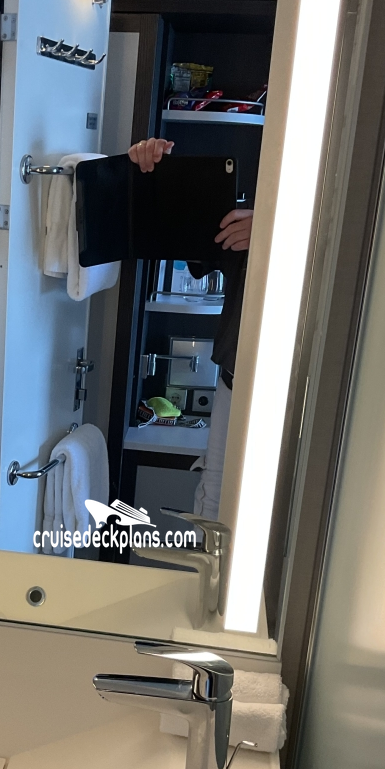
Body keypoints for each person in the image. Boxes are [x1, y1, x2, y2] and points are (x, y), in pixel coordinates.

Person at [128, 137, 254, 520]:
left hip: (301, 385)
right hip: (236, 375)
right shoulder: (262, 199)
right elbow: (194, 238)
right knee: (213, 502)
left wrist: (281, 232)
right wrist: (163, 173)